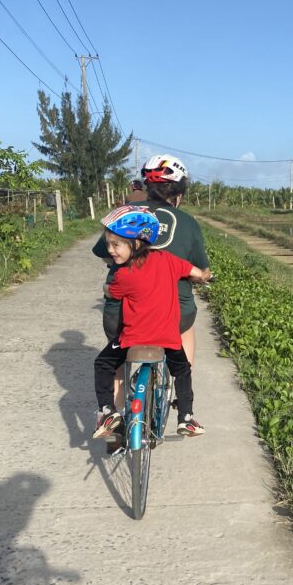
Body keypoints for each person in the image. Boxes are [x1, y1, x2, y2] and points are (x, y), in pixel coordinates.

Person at [92, 206, 211, 439]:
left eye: (116, 244)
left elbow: (111, 292)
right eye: (109, 244)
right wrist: (205, 276)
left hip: (132, 340)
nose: (110, 250)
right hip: (168, 339)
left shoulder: (124, 276)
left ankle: (107, 412)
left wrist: (105, 287)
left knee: (102, 363)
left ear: (137, 243)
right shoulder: (168, 261)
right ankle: (186, 417)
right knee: (183, 369)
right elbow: (196, 272)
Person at [94, 154, 210, 367]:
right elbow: (203, 269)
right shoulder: (187, 222)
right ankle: (182, 384)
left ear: (146, 186)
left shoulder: (123, 213)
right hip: (173, 315)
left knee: (118, 361)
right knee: (185, 328)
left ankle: (118, 400)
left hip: (118, 314)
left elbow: (104, 253)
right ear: (179, 192)